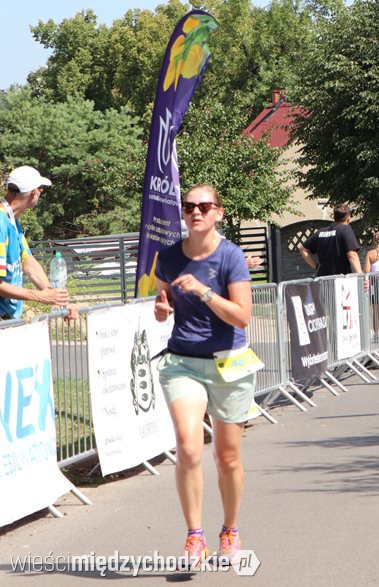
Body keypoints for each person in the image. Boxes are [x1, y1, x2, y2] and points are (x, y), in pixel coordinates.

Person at [152, 184, 254, 563]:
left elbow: (242, 315)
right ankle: (195, 534)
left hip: (229, 362)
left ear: (219, 213)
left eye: (205, 206)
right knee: (189, 446)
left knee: (227, 458)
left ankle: (229, 528)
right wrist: (162, 308)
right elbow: (163, 300)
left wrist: (204, 292)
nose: (196, 212)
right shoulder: (168, 257)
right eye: (190, 206)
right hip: (182, 362)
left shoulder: (231, 256)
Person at [0, 166, 71, 320]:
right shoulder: (1, 223)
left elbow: (29, 263)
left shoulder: (13, 222)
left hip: (8, 319)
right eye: (41, 190)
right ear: (34, 193)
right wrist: (38, 296)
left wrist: (57, 299)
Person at [299, 203, 361, 276]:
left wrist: (316, 266)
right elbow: (352, 255)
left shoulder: (320, 232)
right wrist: (361, 275)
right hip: (341, 280)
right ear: (348, 218)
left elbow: (302, 249)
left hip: (323, 279)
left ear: (334, 217)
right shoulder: (346, 230)